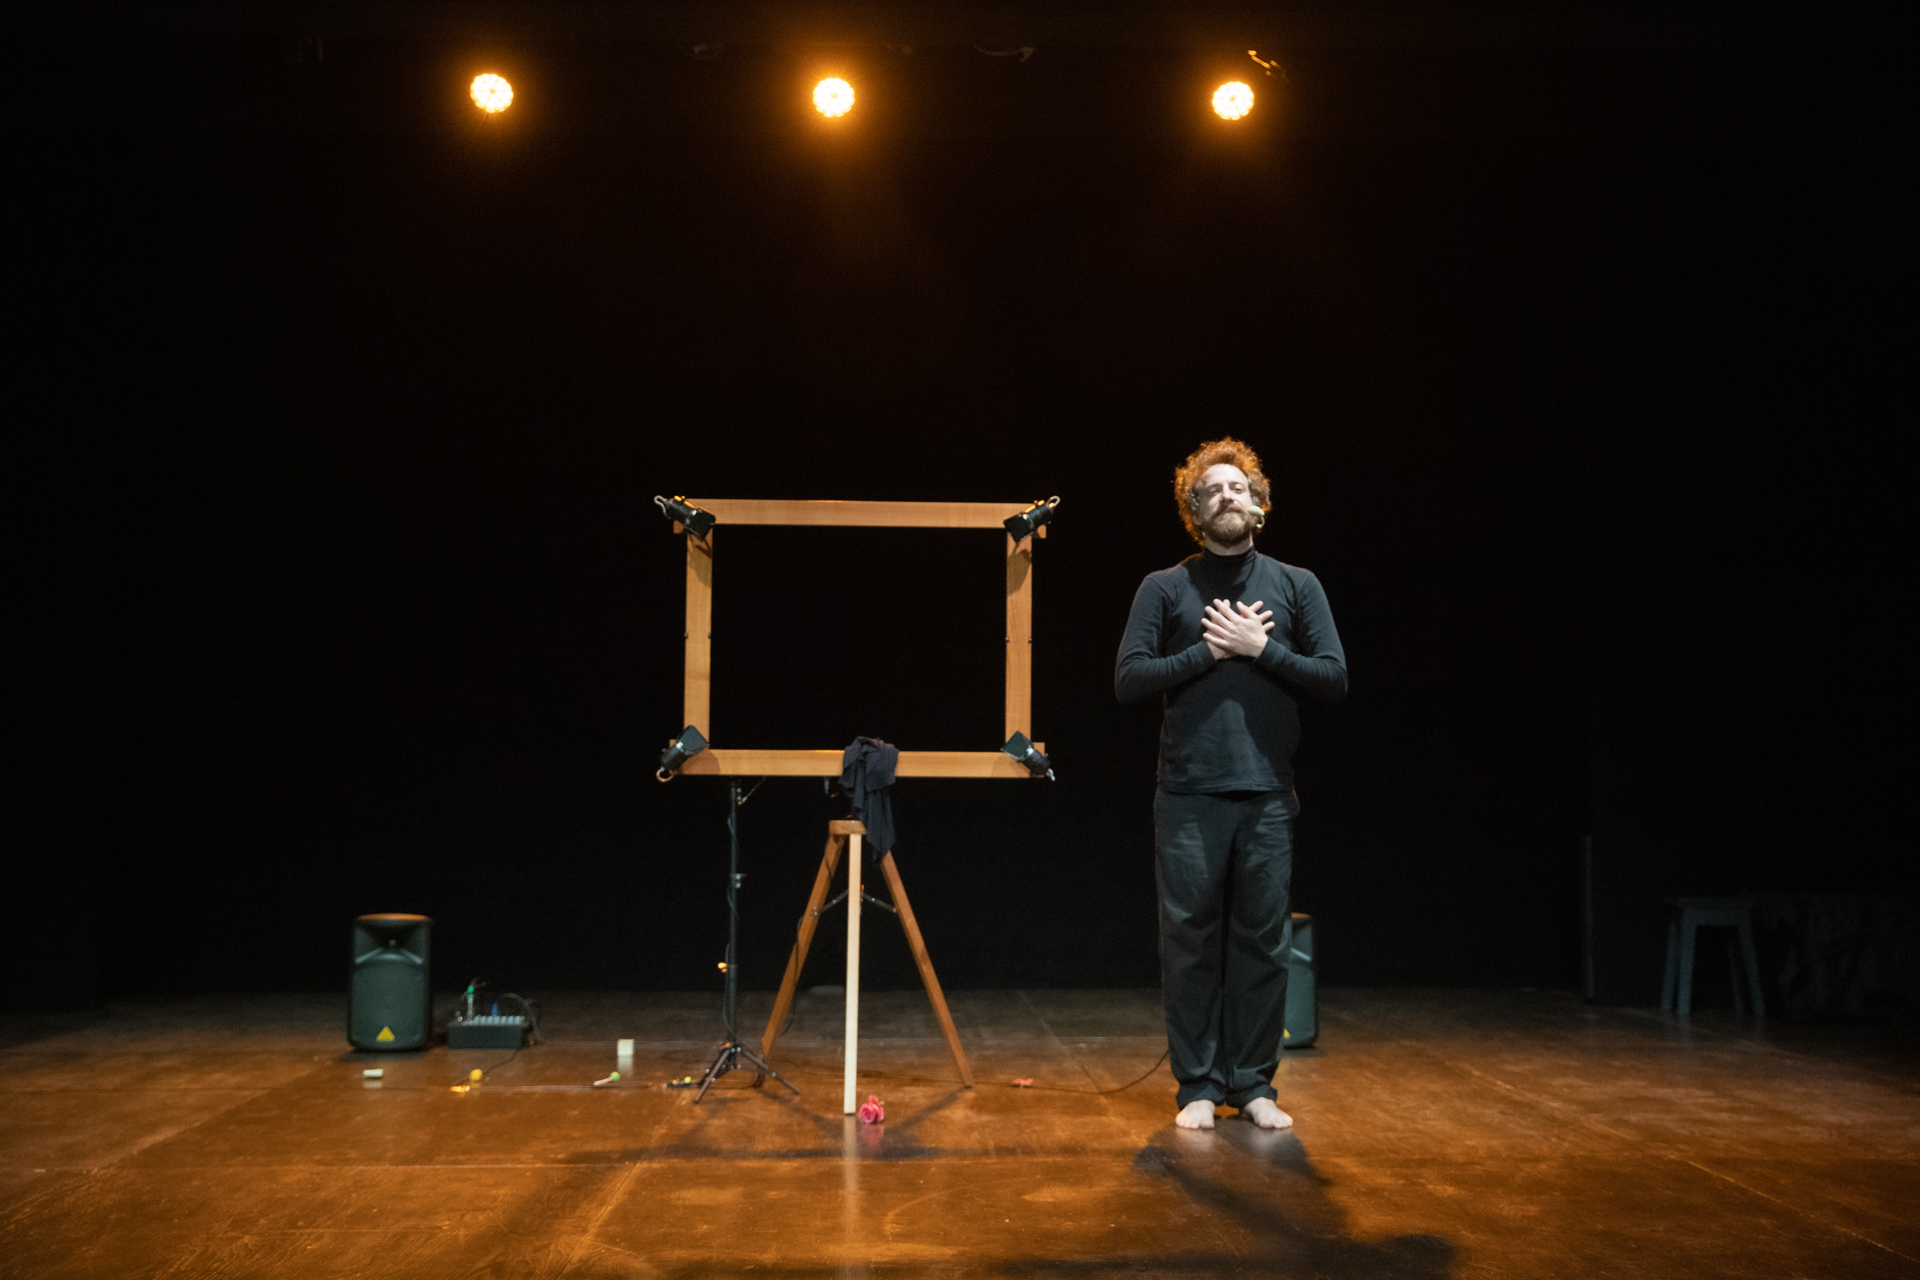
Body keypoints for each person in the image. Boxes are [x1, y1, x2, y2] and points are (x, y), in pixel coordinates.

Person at [1115, 437, 1348, 1131]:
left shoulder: (1297, 584)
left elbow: (1334, 678)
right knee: (1189, 943)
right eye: (1212, 489)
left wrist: (1262, 649)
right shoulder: (1165, 587)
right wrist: (1209, 651)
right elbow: (1129, 679)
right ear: (1194, 509)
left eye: (1238, 487)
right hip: (1188, 792)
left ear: (1259, 503)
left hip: (1268, 793)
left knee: (1263, 944)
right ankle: (1197, 1086)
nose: (1227, 496)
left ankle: (1252, 1084)